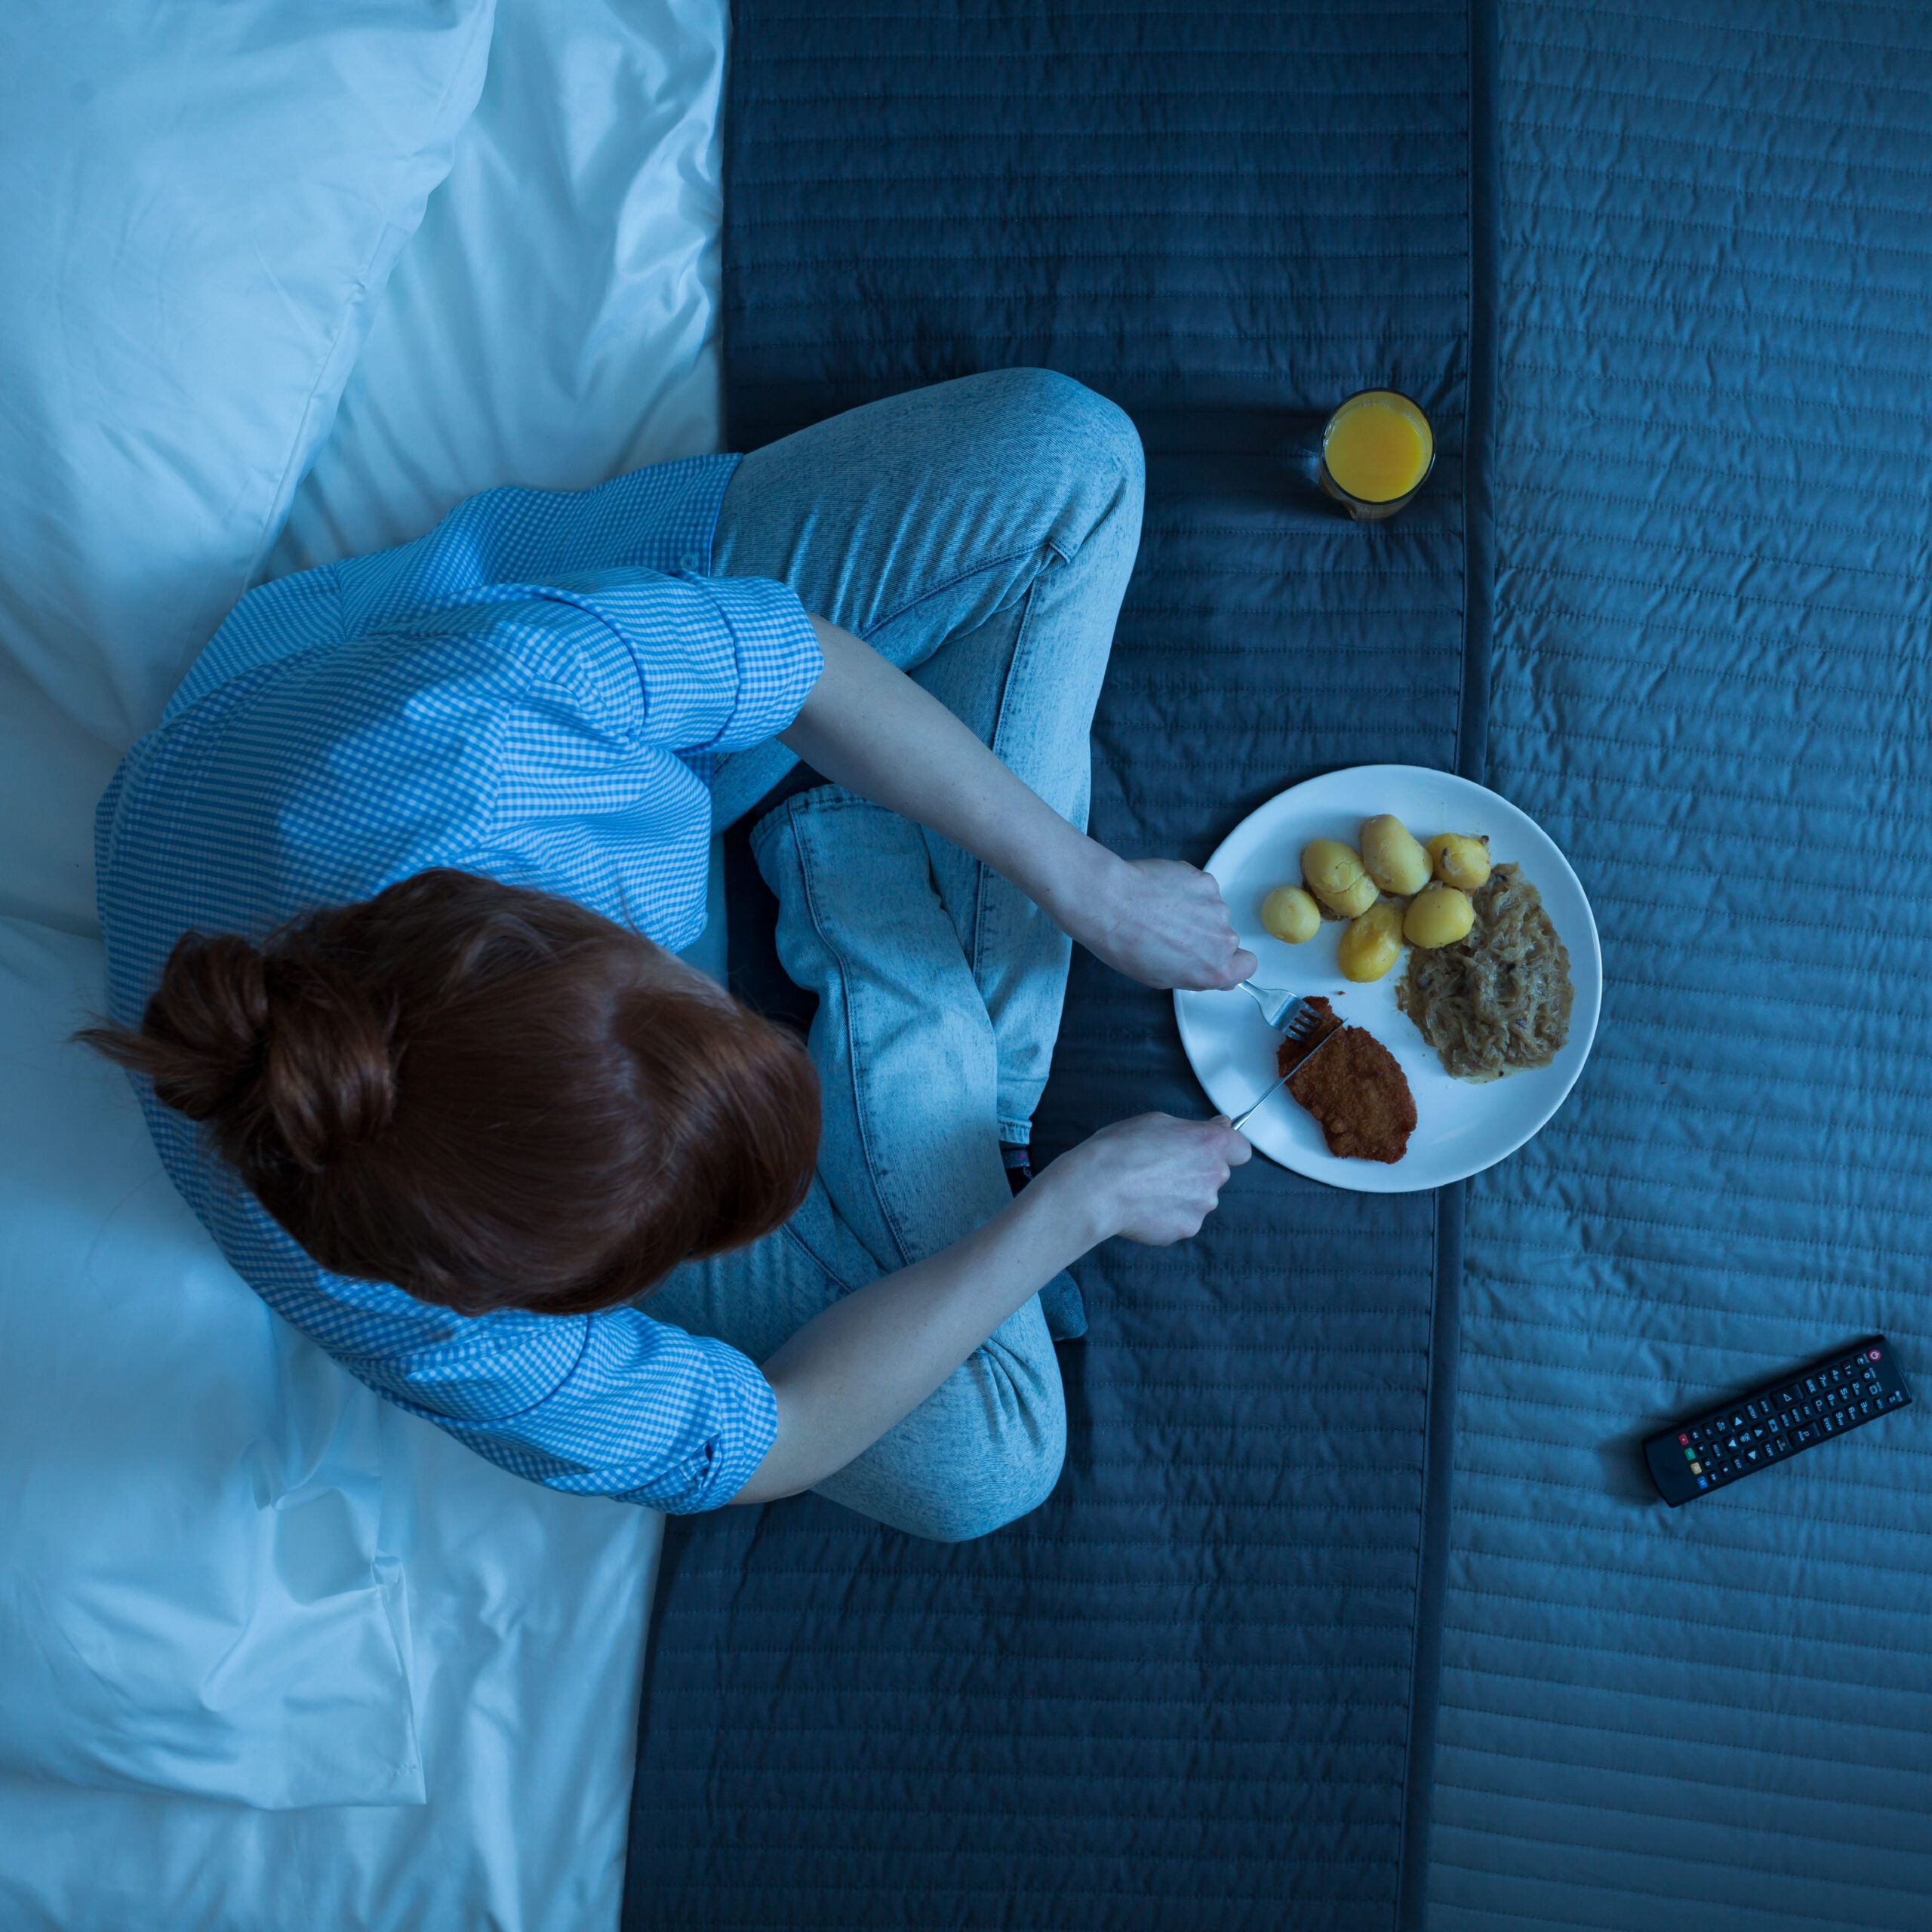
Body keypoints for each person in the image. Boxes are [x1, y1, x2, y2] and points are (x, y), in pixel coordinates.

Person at [87, 368, 1257, 1542]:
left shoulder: (496, 722)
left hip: (435, 714)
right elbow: (784, 1438)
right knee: (985, 1463)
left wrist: (1086, 882)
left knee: (1069, 454)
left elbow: (798, 662)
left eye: (711, 999)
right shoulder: (445, 1329)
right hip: (454, 1001)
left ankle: (893, 956)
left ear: (594, 924)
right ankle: (915, 992)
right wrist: (1069, 1206)